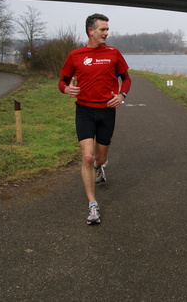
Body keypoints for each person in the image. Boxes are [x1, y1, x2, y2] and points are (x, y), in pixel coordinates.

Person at [58, 13, 131, 225]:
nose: (106, 33)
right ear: (91, 31)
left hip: (107, 110)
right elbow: (62, 81)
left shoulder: (113, 53)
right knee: (87, 157)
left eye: (107, 30)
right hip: (84, 111)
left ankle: (101, 168)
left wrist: (121, 96)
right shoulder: (76, 55)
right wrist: (66, 89)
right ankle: (92, 205)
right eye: (103, 30)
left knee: (99, 158)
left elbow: (126, 79)